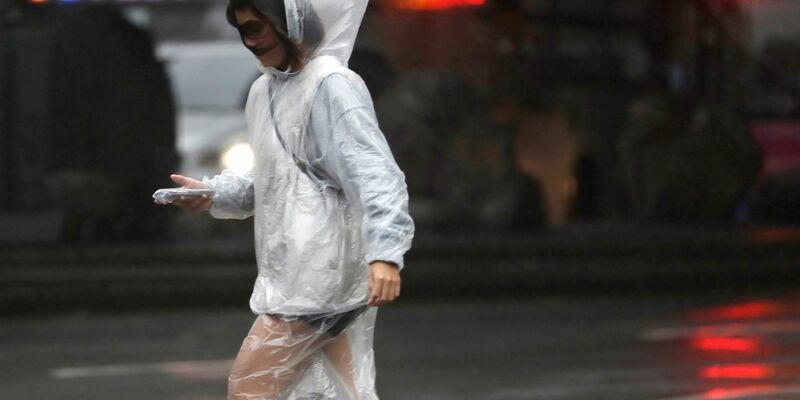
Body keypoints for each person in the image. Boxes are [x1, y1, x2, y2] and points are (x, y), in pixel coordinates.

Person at [161, 0, 414, 398]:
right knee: (344, 392)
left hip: (319, 281)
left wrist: (386, 253)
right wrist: (213, 194)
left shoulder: (331, 86)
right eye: (244, 30)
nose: (251, 41)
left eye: (258, 28)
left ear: (289, 24)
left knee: (249, 390)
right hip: (295, 276)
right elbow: (274, 179)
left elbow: (374, 174)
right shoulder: (265, 91)